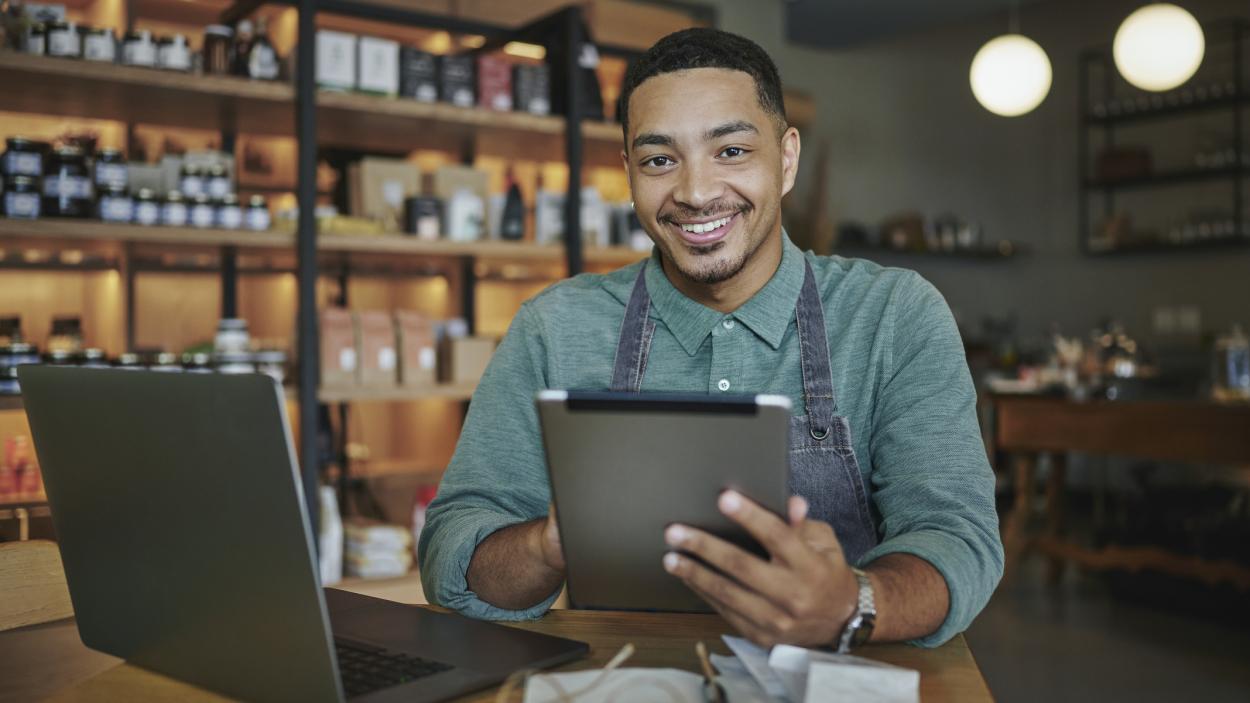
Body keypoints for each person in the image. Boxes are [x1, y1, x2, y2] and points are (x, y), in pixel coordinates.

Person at [419, 27, 1003, 650]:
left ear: (786, 159)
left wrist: (852, 602)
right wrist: (550, 541)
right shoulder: (553, 328)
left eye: (730, 151)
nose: (695, 193)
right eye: (659, 160)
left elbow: (955, 537)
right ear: (628, 173)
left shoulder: (894, 315)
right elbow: (453, 553)